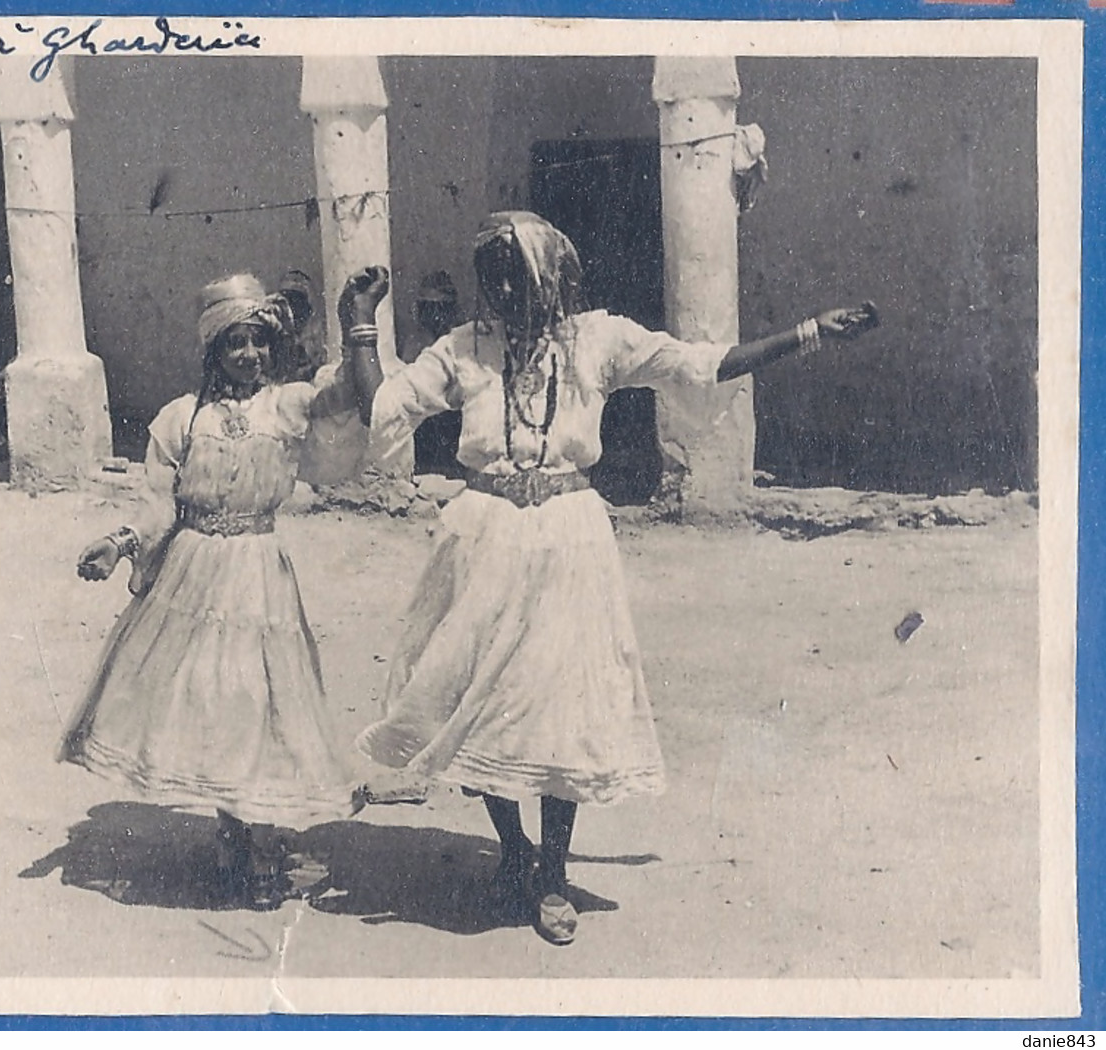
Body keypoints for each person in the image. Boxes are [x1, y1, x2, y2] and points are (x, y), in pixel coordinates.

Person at [344, 211, 879, 946]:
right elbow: (384, 407)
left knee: (562, 699)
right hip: (481, 535)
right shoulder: (464, 350)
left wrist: (808, 332)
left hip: (568, 539)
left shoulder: (598, 339)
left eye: (517, 271)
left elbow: (701, 363)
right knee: (478, 697)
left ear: (556, 274)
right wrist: (358, 323)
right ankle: (512, 850)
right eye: (492, 274)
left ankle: (553, 872)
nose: (505, 287)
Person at [61, 271, 382, 909]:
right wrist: (119, 543)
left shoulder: (287, 405)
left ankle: (261, 843)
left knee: (258, 702)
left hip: (259, 572)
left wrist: (358, 322)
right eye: (235, 343)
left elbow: (349, 393)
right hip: (194, 575)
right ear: (214, 350)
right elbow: (158, 505)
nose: (249, 355)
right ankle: (234, 831)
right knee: (215, 700)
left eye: (259, 341)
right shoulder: (183, 419)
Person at [409, 271, 465, 475]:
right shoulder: (415, 340)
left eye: (440, 308)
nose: (434, 314)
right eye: (428, 308)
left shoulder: (460, 340)